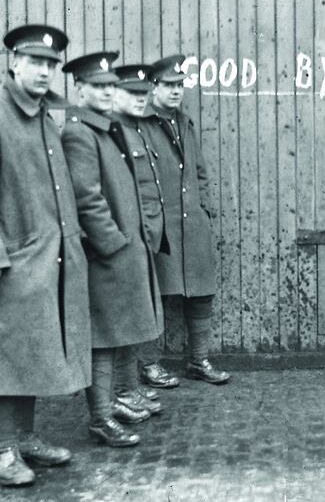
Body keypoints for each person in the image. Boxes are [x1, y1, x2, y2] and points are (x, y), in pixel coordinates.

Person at [0, 24, 92, 487]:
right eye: (35, 62)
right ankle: (1, 451)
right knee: (6, 356)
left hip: (49, 258)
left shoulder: (43, 115)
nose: (44, 71)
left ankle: (24, 437)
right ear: (13, 62)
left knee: (32, 352)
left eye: (51, 64)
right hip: (14, 261)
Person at [61, 52, 164, 447]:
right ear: (80, 89)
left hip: (122, 251)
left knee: (120, 332)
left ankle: (115, 405)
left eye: (109, 87)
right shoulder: (78, 133)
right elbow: (87, 199)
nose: (106, 93)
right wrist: (114, 245)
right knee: (103, 338)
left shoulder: (102, 129)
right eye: (98, 87)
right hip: (107, 256)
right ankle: (101, 418)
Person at [139, 55, 230, 385]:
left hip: (192, 223)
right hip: (161, 224)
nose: (176, 92)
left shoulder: (185, 123)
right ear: (154, 88)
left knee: (201, 291)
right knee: (157, 292)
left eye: (180, 86)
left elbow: (200, 171)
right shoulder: (143, 125)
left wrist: (203, 207)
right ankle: (149, 364)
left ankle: (198, 360)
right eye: (169, 85)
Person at [111, 64, 170, 410]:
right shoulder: (114, 131)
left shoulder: (135, 129)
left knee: (135, 317)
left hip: (143, 237)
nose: (140, 99)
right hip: (126, 240)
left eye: (142, 94)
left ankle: (127, 386)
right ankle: (121, 391)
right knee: (122, 322)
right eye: (132, 93)